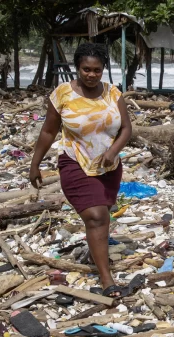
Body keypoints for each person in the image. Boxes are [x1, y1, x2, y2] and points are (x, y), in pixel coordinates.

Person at [30, 43, 132, 296]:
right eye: (86, 69)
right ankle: (107, 279)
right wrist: (35, 164)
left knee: (101, 217)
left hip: (109, 166)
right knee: (96, 216)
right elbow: (48, 131)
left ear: (103, 70)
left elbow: (127, 129)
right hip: (74, 161)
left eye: (97, 70)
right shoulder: (63, 94)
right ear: (77, 68)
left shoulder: (113, 93)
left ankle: (95, 254)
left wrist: (112, 152)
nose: (91, 75)